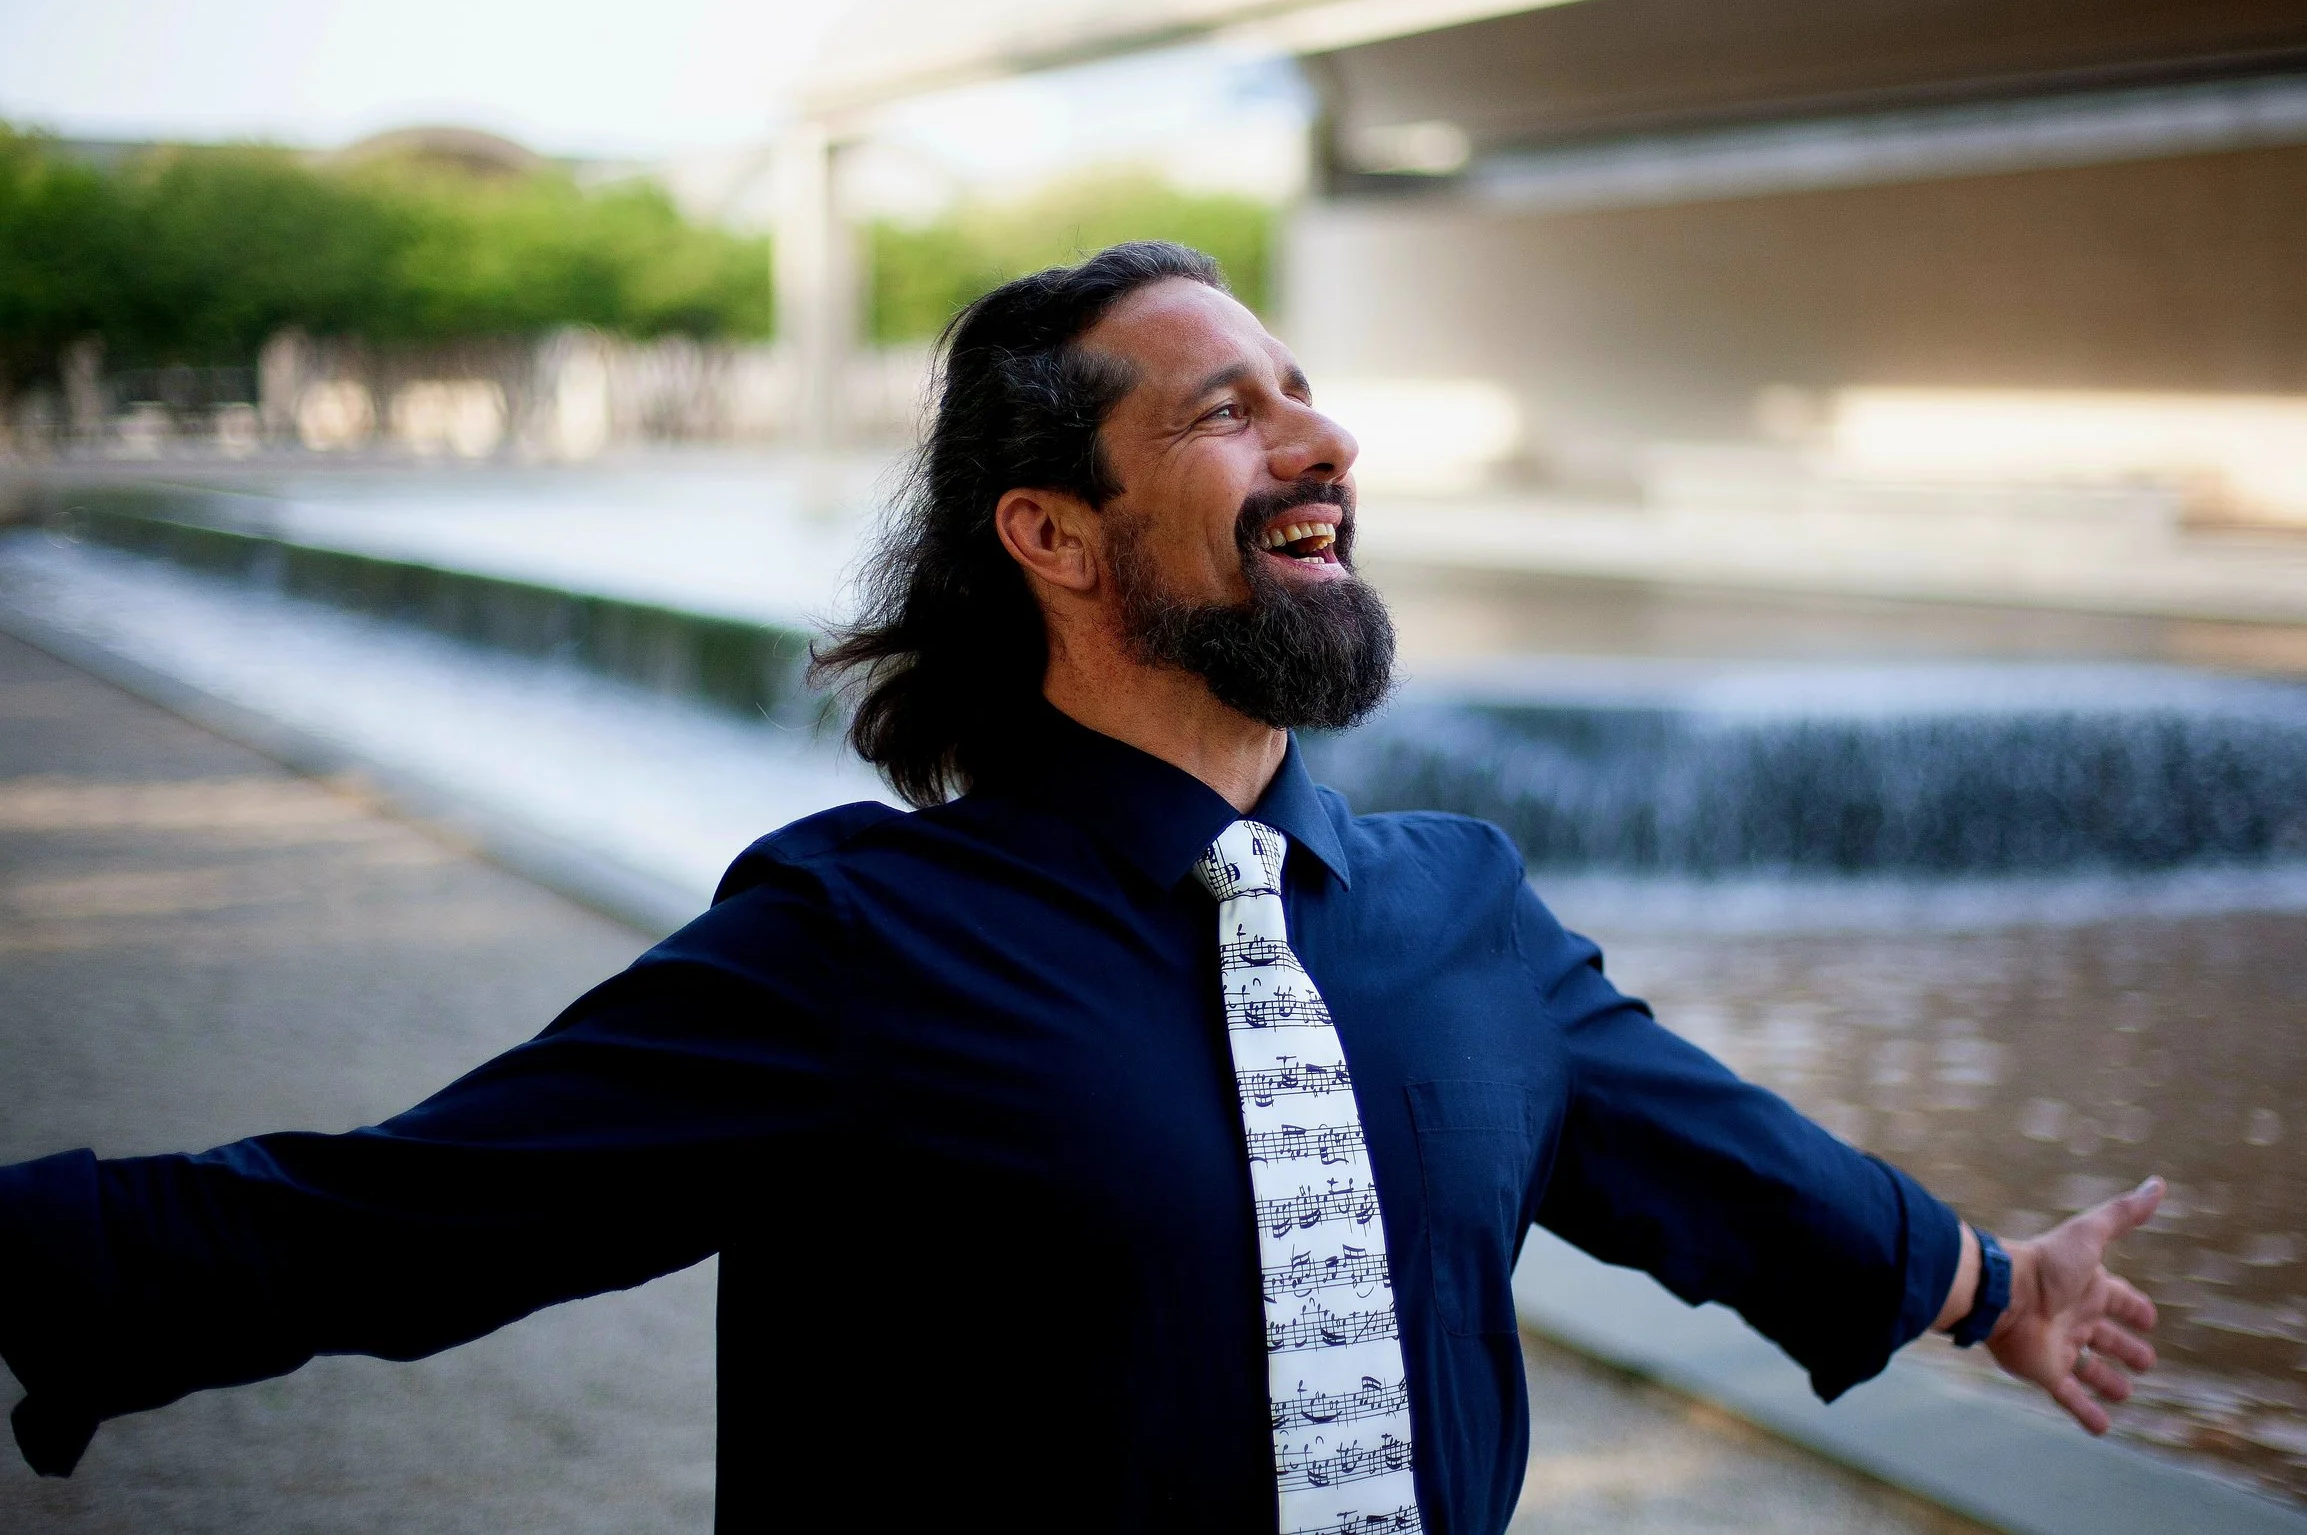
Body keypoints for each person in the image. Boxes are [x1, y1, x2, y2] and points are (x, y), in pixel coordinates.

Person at [0, 242, 2164, 1535]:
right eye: (1230, 412)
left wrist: (1985, 1279)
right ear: (1052, 533)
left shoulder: (1455, 911)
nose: (1317, 444)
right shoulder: (858, 942)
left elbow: (1708, 1150)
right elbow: (409, 1212)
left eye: (1309, 397)